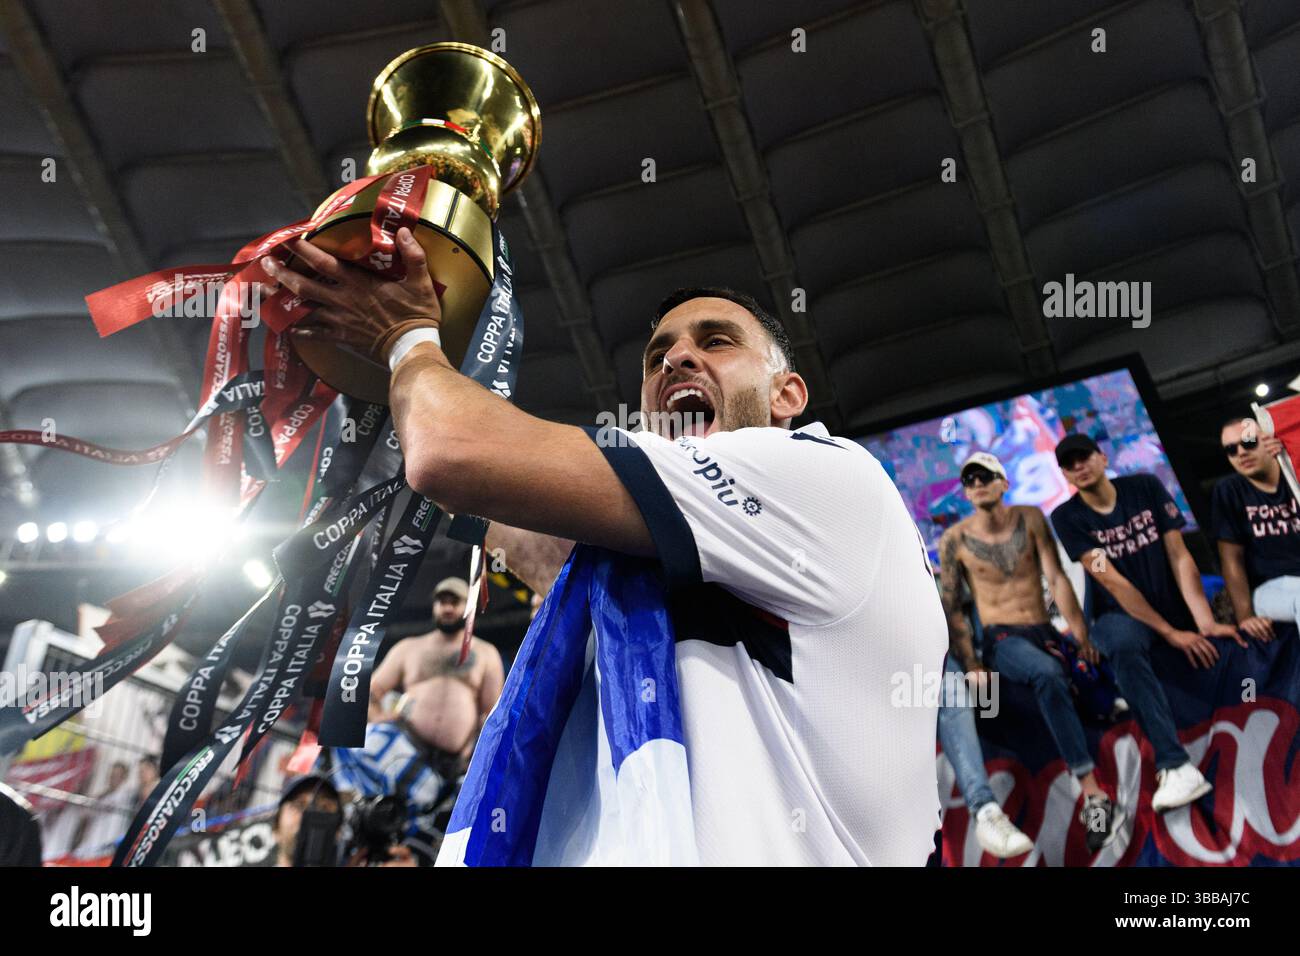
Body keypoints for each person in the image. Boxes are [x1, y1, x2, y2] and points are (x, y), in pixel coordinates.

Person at [265, 230, 948, 865]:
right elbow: (534, 536)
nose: (678, 358)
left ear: (786, 394)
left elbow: (456, 453)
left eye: (717, 342)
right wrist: (381, 382)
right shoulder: (647, 569)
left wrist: (409, 339)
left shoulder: (826, 476)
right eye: (660, 355)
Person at [1050, 434, 1242, 813]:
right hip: (1118, 614)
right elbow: (1108, 577)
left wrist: (1203, 621)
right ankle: (1175, 764)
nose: (1079, 467)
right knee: (1120, 644)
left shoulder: (1145, 487)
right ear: (1066, 475)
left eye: (1084, 457)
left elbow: (1178, 553)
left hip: (1172, 603)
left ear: (1103, 457)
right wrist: (1170, 634)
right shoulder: (1067, 518)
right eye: (1069, 464)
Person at [939, 452, 1121, 852]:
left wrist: (1081, 635)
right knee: (1046, 674)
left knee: (1104, 685)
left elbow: (1055, 577)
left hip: (1045, 631)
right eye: (969, 479)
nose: (977, 484)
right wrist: (972, 664)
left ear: (1004, 482)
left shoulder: (1032, 517)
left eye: (985, 476)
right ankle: (1093, 792)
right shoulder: (954, 539)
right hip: (1003, 641)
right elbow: (952, 608)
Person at [368, 576, 505, 764]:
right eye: (442, 602)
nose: (447, 608)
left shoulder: (486, 653)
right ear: (434, 606)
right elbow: (371, 692)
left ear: (469, 606)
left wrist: (475, 752)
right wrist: (378, 717)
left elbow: (491, 713)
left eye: (455, 602)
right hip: (404, 748)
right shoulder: (409, 647)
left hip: (456, 761)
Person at [1211, 416, 1300, 635]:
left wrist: (1291, 453)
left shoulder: (1294, 473)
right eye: (1231, 450)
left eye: (1249, 442)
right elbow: (1231, 559)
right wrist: (1245, 617)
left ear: (1268, 440)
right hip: (1270, 587)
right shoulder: (1229, 490)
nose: (1241, 452)